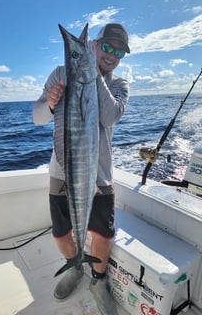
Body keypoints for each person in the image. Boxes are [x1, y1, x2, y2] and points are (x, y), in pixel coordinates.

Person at [32, 23, 130, 315]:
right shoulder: (60, 74)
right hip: (61, 170)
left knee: (101, 233)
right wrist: (49, 104)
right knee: (62, 231)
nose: (112, 54)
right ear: (96, 44)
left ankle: (98, 281)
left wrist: (87, 70)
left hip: (99, 173)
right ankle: (76, 265)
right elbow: (37, 118)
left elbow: (110, 116)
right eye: (107, 46)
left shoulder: (119, 85)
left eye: (119, 51)